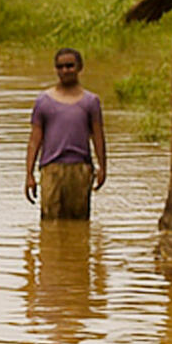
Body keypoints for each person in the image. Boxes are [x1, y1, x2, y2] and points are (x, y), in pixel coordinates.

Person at [24, 47, 107, 219]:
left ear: (79, 67)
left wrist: (102, 167)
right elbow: (35, 140)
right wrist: (29, 174)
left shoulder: (91, 101)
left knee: (79, 221)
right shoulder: (43, 101)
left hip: (81, 169)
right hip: (51, 170)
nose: (65, 70)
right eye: (60, 67)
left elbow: (98, 136)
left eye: (69, 66)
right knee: (49, 221)